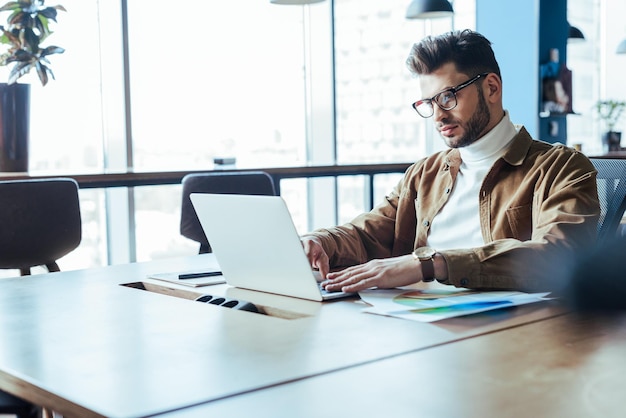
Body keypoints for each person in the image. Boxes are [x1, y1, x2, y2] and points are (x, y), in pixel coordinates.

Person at [301, 29, 600, 294]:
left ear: (492, 88)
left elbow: (559, 256)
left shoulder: (562, 168)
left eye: (447, 97)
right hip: (418, 321)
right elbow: (368, 234)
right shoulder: (424, 174)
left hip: (509, 331)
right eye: (429, 103)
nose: (439, 115)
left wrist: (431, 265)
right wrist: (321, 241)